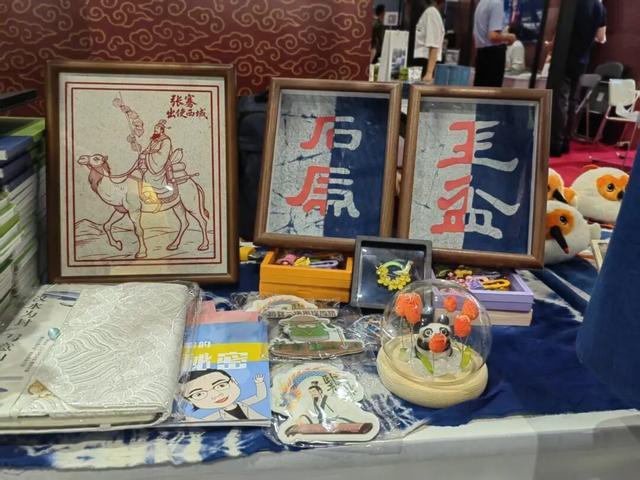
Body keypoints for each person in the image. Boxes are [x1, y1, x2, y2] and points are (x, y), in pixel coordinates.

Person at [550, 0, 607, 157]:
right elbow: (601, 37)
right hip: (583, 59)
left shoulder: (573, 3)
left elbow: (562, 32)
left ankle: (555, 143)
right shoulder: (600, 7)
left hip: (564, 57)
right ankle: (565, 142)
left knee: (560, 101)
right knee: (573, 101)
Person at [181, 369, 267, 421]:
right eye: (199, 394)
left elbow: (260, 396)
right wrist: (187, 419)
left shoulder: (243, 404)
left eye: (221, 385)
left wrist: (259, 383)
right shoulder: (218, 415)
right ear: (189, 400)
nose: (216, 395)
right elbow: (203, 421)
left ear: (233, 381)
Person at [473, 0, 516, 87]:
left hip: (481, 54)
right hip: (493, 56)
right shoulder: (496, 3)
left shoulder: (482, 3)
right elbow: (493, 36)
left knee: (480, 91)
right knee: (491, 92)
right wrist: (510, 37)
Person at [137, 119, 173, 204]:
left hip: (159, 165)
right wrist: (143, 153)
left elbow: (162, 155)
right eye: (154, 128)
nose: (155, 130)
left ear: (162, 130)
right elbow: (148, 149)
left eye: (157, 128)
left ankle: (154, 195)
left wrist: (147, 156)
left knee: (147, 175)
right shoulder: (154, 139)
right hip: (151, 162)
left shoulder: (166, 140)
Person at [413, 0, 445, 83]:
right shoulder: (429, 12)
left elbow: (433, 44)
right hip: (423, 63)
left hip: (426, 64)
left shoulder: (431, 12)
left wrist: (429, 73)